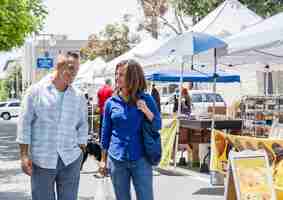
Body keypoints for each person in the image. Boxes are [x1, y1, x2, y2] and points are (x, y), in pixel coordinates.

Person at [17, 54, 88, 200]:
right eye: (71, 68)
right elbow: (24, 124)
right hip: (42, 159)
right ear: (58, 66)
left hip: (71, 159)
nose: (74, 73)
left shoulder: (78, 96)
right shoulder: (35, 92)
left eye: (76, 69)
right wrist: (24, 155)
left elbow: (82, 124)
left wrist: (81, 149)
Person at [99, 59, 161, 200]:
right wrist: (103, 160)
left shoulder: (146, 99)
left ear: (132, 77)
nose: (117, 78)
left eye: (121, 75)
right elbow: (105, 133)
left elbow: (157, 125)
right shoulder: (110, 103)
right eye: (116, 74)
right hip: (117, 160)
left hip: (141, 159)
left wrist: (146, 110)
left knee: (146, 197)